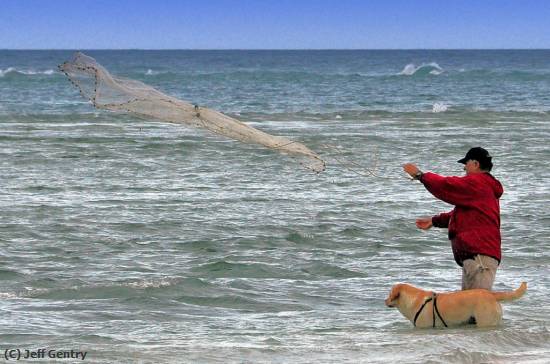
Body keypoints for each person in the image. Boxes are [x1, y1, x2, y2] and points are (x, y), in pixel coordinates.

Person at [403, 147, 503, 291]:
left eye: (466, 164)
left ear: (475, 164)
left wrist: (420, 175)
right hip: (478, 256)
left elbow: (447, 185)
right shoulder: (485, 187)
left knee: (477, 307)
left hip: (480, 257)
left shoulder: (477, 182)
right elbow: (463, 213)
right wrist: (434, 221)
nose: (464, 168)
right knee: (469, 308)